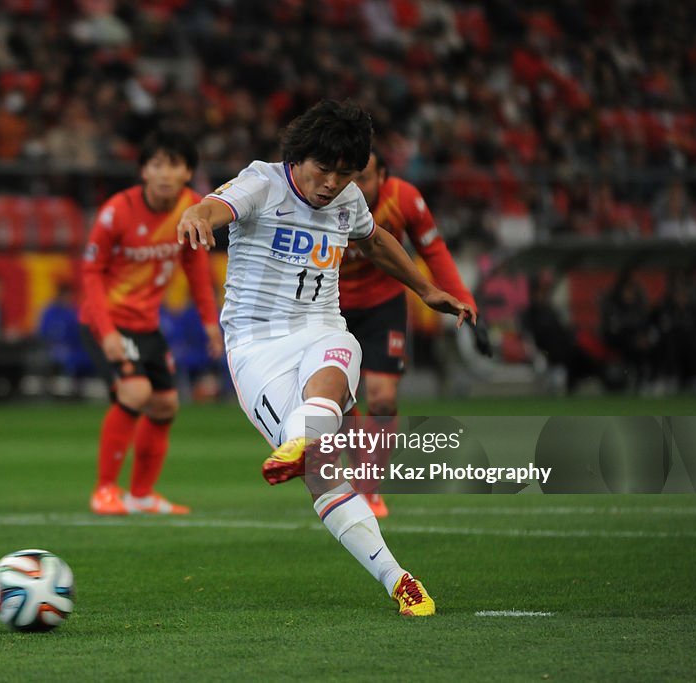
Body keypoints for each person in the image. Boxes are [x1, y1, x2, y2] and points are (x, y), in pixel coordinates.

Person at [176, 99, 474, 617]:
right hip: (256, 346)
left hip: (320, 328)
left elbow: (375, 241)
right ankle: (385, 561)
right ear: (298, 157)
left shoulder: (350, 199)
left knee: (339, 355)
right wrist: (195, 215)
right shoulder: (262, 182)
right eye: (323, 169)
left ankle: (400, 579)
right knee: (322, 474)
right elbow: (214, 206)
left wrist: (426, 290)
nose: (332, 183)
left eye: (345, 173)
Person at [80, 130, 222, 515]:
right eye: (156, 163)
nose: (164, 173)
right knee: (135, 391)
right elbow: (91, 272)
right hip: (106, 319)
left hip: (146, 324)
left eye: (173, 164)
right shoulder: (116, 212)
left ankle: (141, 495)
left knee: (165, 404)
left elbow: (195, 267)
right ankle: (105, 490)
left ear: (188, 171)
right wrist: (106, 332)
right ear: (143, 170)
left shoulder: (192, 209)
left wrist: (211, 322)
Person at [340, 145, 477, 517]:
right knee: (340, 400)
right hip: (331, 310)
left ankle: (367, 489)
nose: (354, 184)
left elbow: (432, 250)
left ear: (383, 177)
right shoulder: (328, 197)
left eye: (364, 177)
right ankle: (361, 476)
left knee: (382, 399)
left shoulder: (403, 199)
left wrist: (461, 297)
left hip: (383, 306)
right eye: (349, 175)